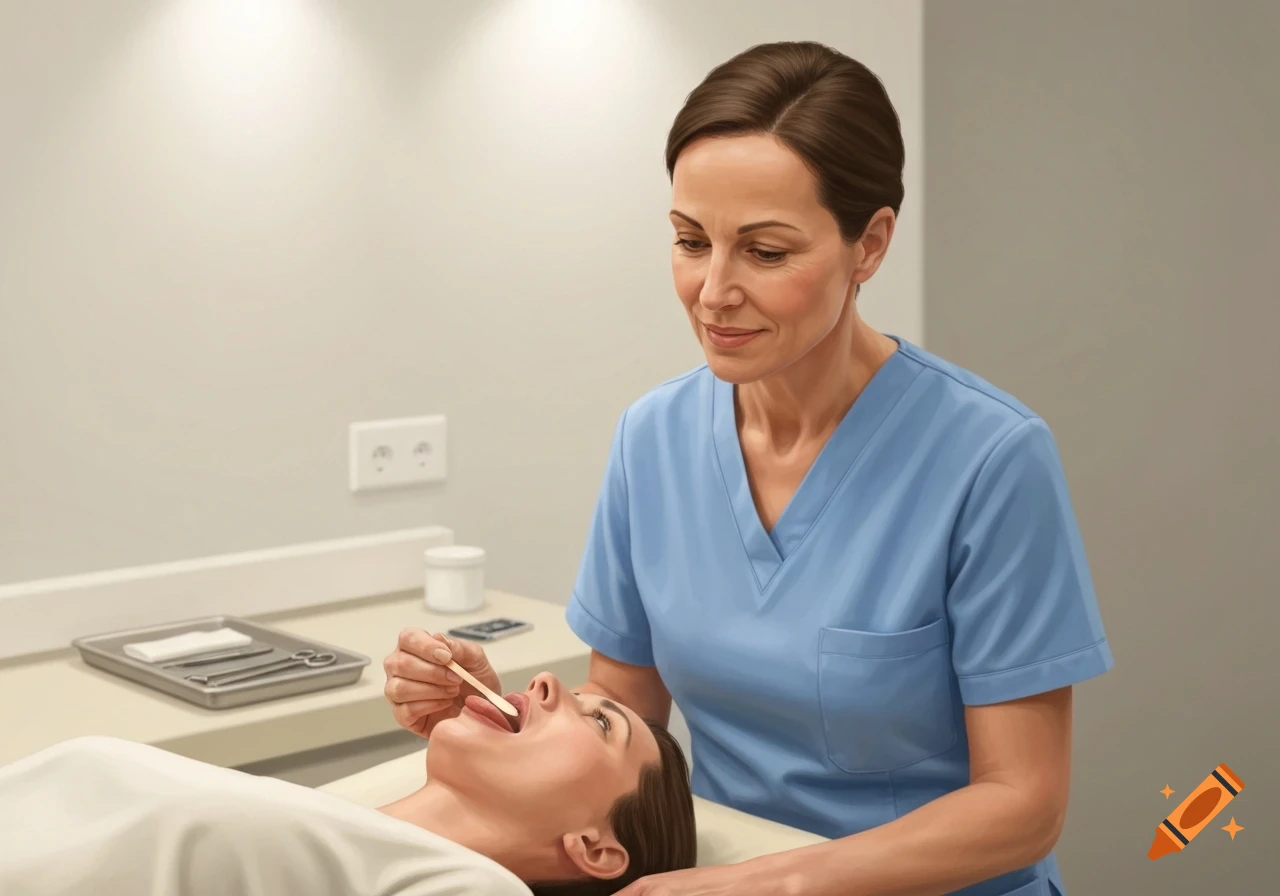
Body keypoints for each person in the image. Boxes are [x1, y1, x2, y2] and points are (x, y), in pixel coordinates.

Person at [384, 40, 1112, 896]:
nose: (713, 291)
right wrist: (497, 720)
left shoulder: (988, 459)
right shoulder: (653, 438)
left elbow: (1024, 806)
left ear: (870, 245)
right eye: (691, 241)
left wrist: (776, 884)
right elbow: (626, 714)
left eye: (765, 252)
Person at [0, 672, 696, 896]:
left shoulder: (473, 888)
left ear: (595, 847)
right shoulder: (325, 821)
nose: (544, 682)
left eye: (600, 722)